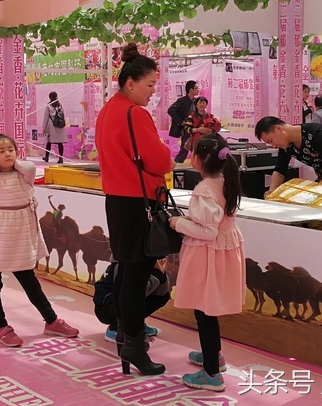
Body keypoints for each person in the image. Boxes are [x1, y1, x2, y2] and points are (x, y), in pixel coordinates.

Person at [95, 43, 174, 376]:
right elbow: (160, 160)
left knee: (127, 272)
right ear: (131, 83)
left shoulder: (108, 110)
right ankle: (133, 344)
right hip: (140, 203)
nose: (152, 92)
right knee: (135, 276)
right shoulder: (134, 113)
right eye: (150, 85)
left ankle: (128, 340)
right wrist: (166, 157)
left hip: (117, 201)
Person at [0, 134, 79, 346]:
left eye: (10, 149)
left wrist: (13, 159)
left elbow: (29, 167)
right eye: (1, 151)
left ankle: (51, 320)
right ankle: (1, 327)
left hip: (21, 232)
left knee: (29, 280)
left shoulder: (25, 173)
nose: (7, 154)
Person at [169, 132, 245, 392]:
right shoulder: (225, 181)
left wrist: (178, 222)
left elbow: (207, 231)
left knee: (205, 311)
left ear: (199, 159)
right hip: (221, 253)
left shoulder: (203, 190)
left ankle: (212, 372)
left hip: (207, 255)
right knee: (208, 307)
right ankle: (214, 355)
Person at [256, 116, 322, 191]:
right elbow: (280, 170)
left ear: (278, 129)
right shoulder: (286, 145)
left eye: (271, 140)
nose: (274, 146)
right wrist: (272, 191)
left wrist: (317, 192)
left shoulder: (316, 135)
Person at [94, 260, 170, 343]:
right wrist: (157, 274)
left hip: (120, 300)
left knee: (163, 297)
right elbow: (133, 295)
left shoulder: (145, 262)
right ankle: (116, 329)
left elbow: (162, 292)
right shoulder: (124, 264)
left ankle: (136, 324)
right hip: (105, 309)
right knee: (130, 297)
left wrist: (162, 274)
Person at [168, 80, 199, 163]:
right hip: (186, 129)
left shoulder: (196, 101)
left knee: (195, 150)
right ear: (191, 90)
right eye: (196, 88)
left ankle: (197, 166)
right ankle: (176, 166)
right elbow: (171, 110)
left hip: (195, 129)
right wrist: (181, 122)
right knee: (184, 150)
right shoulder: (182, 101)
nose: (198, 90)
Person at [43, 91, 68, 164]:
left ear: (50, 97)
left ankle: (46, 157)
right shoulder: (59, 105)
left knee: (49, 141)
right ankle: (61, 158)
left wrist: (44, 127)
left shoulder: (49, 105)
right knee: (60, 143)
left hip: (51, 124)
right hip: (59, 125)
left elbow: (46, 117)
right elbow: (63, 115)